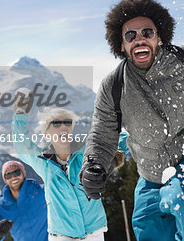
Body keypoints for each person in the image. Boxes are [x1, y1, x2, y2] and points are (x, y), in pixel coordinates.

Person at [80, 0, 184, 241]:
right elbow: (103, 134)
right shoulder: (114, 86)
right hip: (150, 172)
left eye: (147, 32)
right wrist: (93, 164)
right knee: (147, 227)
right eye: (130, 36)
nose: (139, 39)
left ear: (160, 36)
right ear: (121, 45)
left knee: (183, 203)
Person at [12, 91, 128, 241]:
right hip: (61, 235)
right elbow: (22, 145)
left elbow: (122, 138)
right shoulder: (44, 163)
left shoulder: (87, 153)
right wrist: (20, 114)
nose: (63, 127)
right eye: (56, 124)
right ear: (47, 134)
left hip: (94, 232)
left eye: (67, 123)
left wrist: (110, 161)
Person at [0, 160, 48, 241]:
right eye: (8, 176)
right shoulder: (2, 206)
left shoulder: (42, 191)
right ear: (5, 180)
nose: (13, 177)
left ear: (23, 174)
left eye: (16, 173)